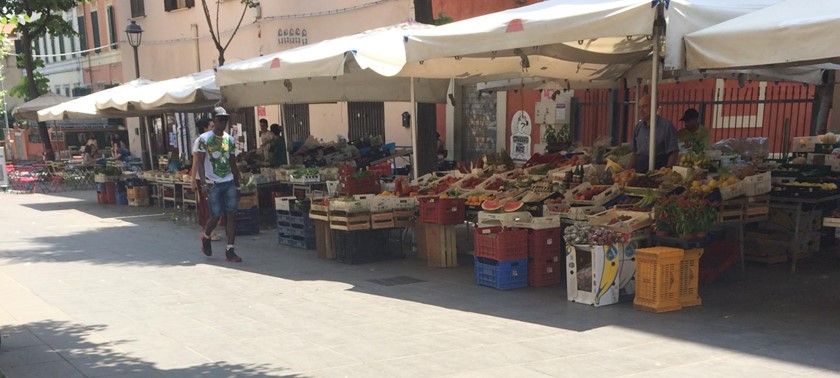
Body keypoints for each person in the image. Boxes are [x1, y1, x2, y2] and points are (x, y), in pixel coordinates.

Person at [196, 107, 243, 263]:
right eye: (220, 119)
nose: (223, 122)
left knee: (231, 214)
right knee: (216, 215)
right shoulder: (203, 139)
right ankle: (206, 236)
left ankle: (230, 249)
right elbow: (200, 163)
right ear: (214, 120)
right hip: (213, 182)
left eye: (225, 120)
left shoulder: (229, 140)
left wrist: (238, 184)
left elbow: (233, 163)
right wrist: (203, 184)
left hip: (228, 181)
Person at [627, 94, 679, 173]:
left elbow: (673, 152)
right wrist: (627, 170)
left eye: (644, 106)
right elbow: (635, 153)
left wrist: (667, 171)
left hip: (659, 168)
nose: (641, 110)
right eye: (639, 107)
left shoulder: (666, 126)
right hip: (640, 168)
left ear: (655, 107)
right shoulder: (638, 127)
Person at [190, 118, 220, 241]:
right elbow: (196, 162)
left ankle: (212, 230)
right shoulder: (200, 141)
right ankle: (211, 232)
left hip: (214, 177)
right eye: (211, 126)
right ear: (205, 128)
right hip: (203, 178)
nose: (214, 128)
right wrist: (193, 179)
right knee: (208, 205)